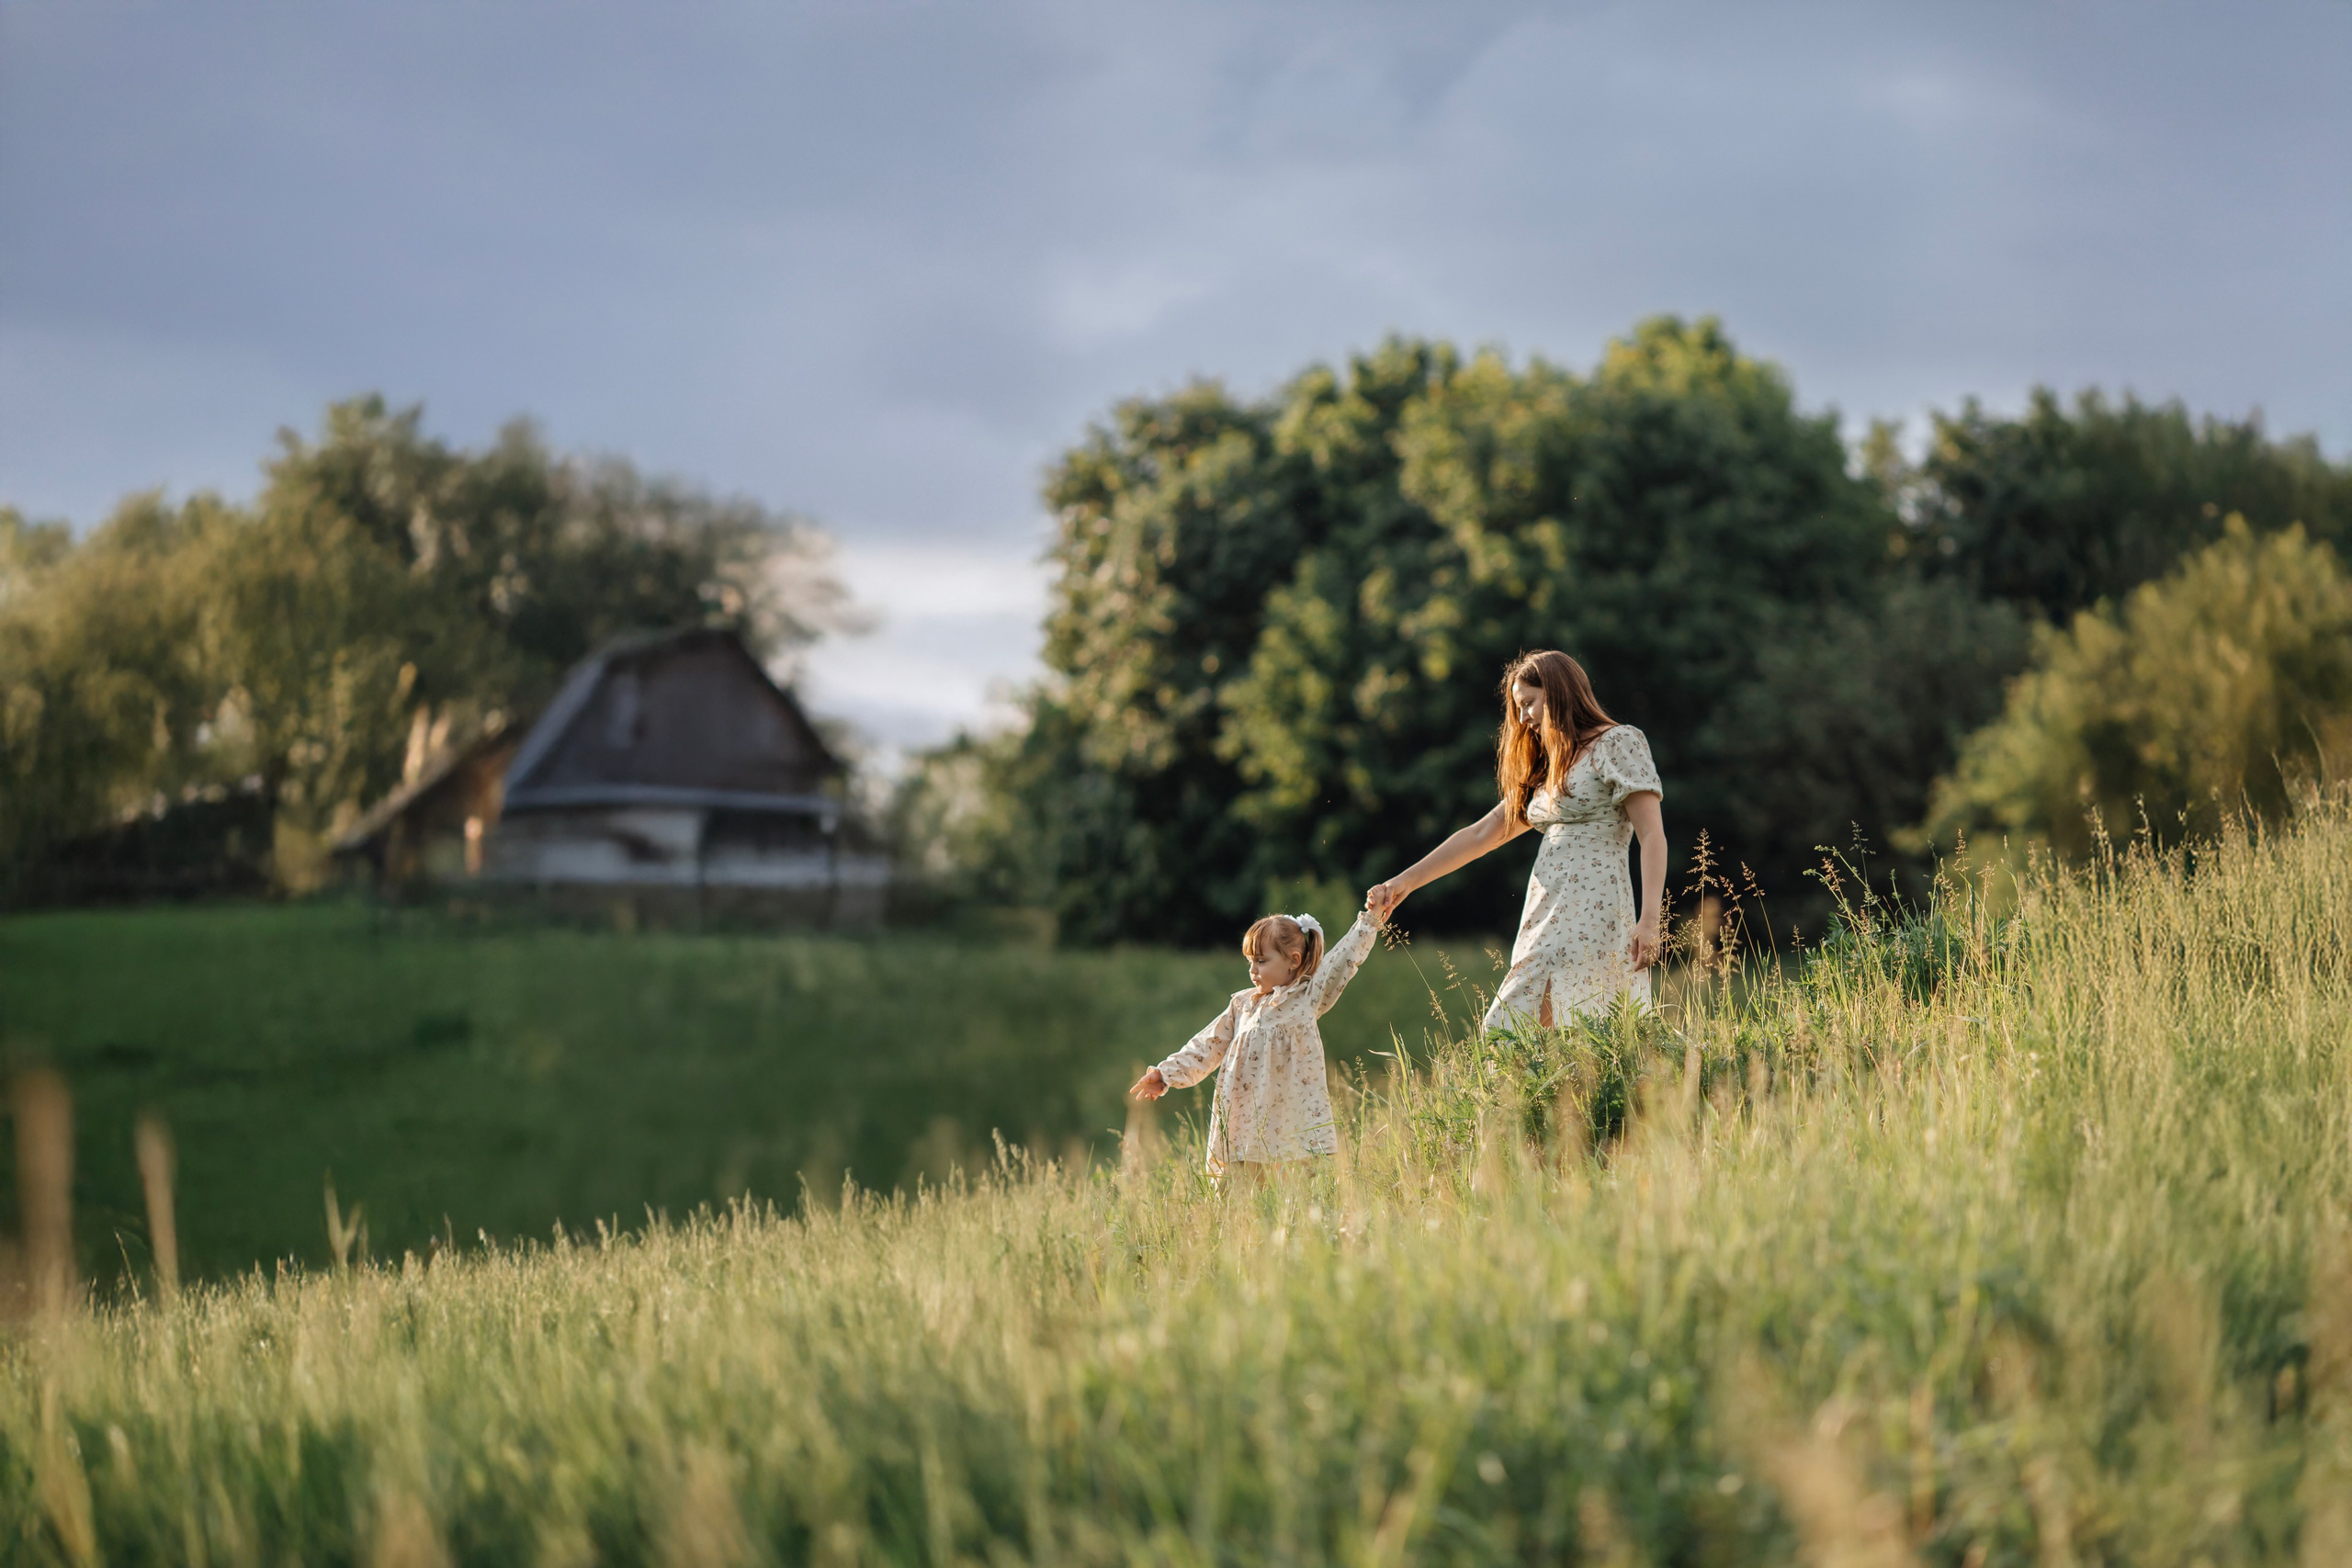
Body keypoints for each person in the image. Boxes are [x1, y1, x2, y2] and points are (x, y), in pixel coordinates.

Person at [1367, 649, 1666, 1032]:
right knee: (1509, 1030)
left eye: (1529, 703)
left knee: (1583, 1029)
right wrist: (1402, 883)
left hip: (1596, 911)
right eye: (1518, 707)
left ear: (1558, 693)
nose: (1523, 718)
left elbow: (1652, 835)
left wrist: (1650, 919)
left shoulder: (1618, 743)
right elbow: (1480, 834)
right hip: (1543, 912)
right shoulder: (1550, 766)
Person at [1128, 904, 1383, 1179]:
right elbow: (1206, 1045)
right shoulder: (1242, 1005)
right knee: (1239, 1195)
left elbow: (1342, 960)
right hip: (1243, 1124)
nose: (1252, 969)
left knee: (1292, 1193)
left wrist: (1370, 920)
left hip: (1290, 1120)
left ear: (1293, 960)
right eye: (1250, 961)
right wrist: (1166, 1074)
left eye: (1261, 961)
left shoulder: (1308, 997)